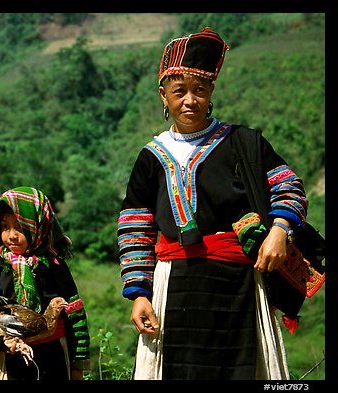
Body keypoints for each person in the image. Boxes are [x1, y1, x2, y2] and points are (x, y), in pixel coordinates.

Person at [117, 27, 308, 380]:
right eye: (179, 92)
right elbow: (134, 228)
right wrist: (139, 294)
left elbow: (289, 188)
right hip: (174, 283)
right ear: (163, 96)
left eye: (199, 90)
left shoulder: (242, 143)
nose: (190, 100)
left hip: (238, 283)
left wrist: (280, 230)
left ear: (211, 93)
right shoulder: (151, 157)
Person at [0, 186, 91, 380]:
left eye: (20, 228)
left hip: (54, 357)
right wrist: (1, 342)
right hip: (8, 358)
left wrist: (78, 364)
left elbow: (76, 319)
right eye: (5, 227)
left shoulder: (55, 266)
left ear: (39, 227)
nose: (11, 236)